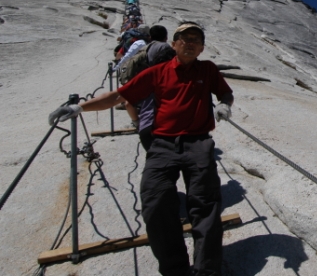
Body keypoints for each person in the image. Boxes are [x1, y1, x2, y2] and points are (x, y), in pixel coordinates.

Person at [49, 22, 233, 276]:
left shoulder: (208, 69)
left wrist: (224, 104)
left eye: (196, 39)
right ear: (174, 44)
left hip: (198, 143)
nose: (190, 43)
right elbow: (119, 96)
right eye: (184, 38)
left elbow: (225, 93)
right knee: (155, 202)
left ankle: (206, 271)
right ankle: (175, 270)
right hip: (162, 145)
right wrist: (78, 108)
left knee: (205, 205)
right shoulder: (158, 72)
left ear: (202, 48)